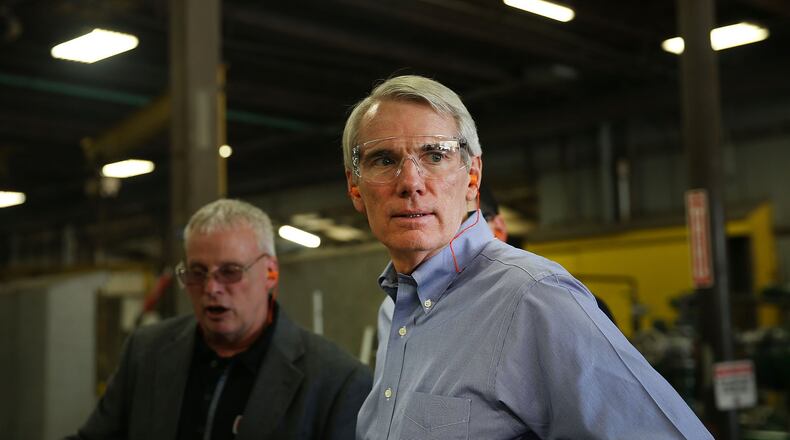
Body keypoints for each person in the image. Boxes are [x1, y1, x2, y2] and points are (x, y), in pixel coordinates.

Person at [343, 75, 712, 439]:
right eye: (384, 160)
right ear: (355, 189)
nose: (410, 181)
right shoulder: (395, 311)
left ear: (472, 179)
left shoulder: (533, 298)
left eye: (436, 155)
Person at [67, 199, 371, 440]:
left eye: (230, 272)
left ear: (270, 273)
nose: (211, 288)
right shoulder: (146, 352)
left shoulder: (336, 382)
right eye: (197, 273)